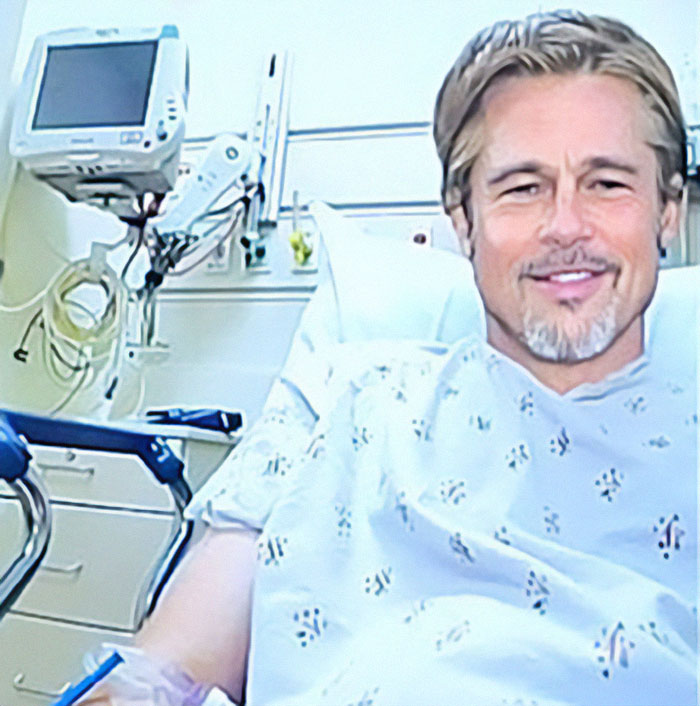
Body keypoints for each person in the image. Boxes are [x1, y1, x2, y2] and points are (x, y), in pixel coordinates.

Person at [82, 10, 697, 706]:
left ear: (667, 211)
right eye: (522, 186)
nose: (564, 225)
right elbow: (158, 680)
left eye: (607, 183)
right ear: (462, 220)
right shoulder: (344, 399)